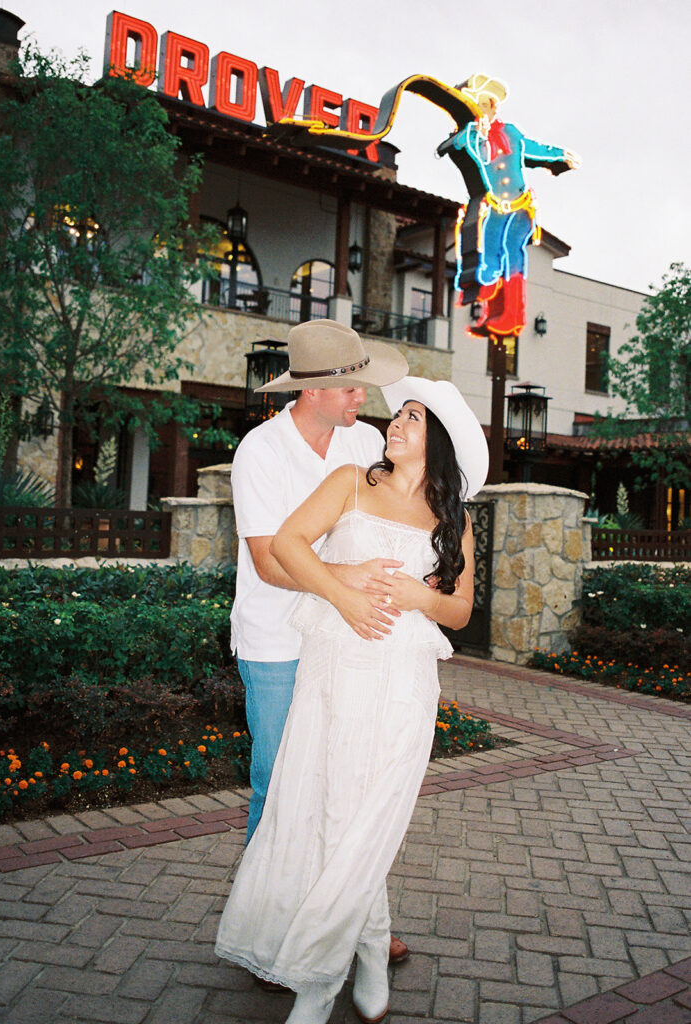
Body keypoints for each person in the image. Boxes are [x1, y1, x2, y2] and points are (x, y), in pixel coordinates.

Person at [216, 376, 489, 1023]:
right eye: (398, 417)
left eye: (413, 420)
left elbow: (460, 609)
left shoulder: (454, 518)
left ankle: (319, 976)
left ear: (439, 442)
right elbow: (284, 546)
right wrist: (342, 593)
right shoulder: (348, 483)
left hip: (404, 682)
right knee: (332, 811)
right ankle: (359, 953)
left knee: (373, 816)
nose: (395, 425)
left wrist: (423, 597)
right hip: (335, 671)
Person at [229, 318, 411, 973]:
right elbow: (270, 561)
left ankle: (357, 924)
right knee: (279, 787)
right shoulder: (261, 450)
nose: (364, 396)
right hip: (277, 643)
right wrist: (347, 579)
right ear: (312, 391)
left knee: (346, 788)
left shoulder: (366, 444)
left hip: (345, 640)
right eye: (351, 386)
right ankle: (265, 936)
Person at [437, 73, 581, 338]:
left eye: (482, 104)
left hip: (520, 205)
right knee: (490, 254)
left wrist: (559, 155)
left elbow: (534, 148)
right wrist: (476, 137)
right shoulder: (469, 135)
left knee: (512, 249)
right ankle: (492, 307)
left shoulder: (510, 132)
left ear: (492, 106)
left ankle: (512, 313)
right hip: (493, 206)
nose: (479, 110)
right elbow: (464, 149)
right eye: (473, 105)